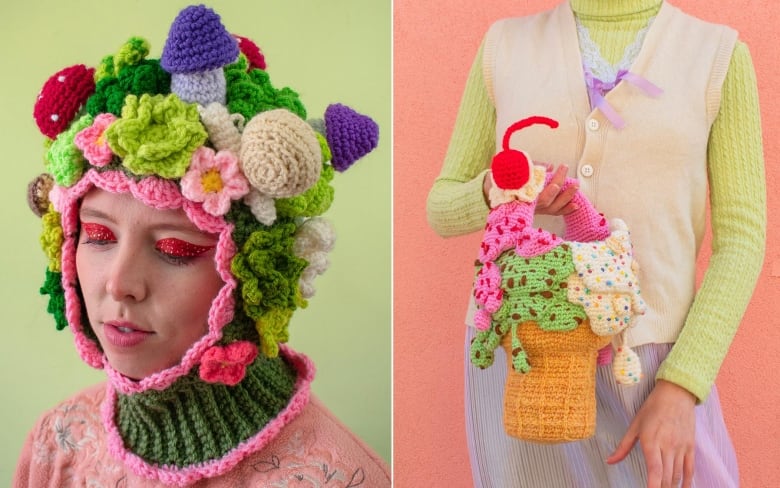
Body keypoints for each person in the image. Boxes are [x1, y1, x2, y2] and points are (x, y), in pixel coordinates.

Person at [14, 4, 390, 487]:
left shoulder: (338, 478)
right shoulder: (55, 445)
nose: (120, 284)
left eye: (174, 249)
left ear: (252, 280)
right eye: (99, 236)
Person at [426, 0, 765, 486]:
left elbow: (743, 239)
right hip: (525, 355)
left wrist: (682, 385)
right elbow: (441, 206)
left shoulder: (718, 55)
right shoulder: (505, 46)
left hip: (655, 367)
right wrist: (502, 188)